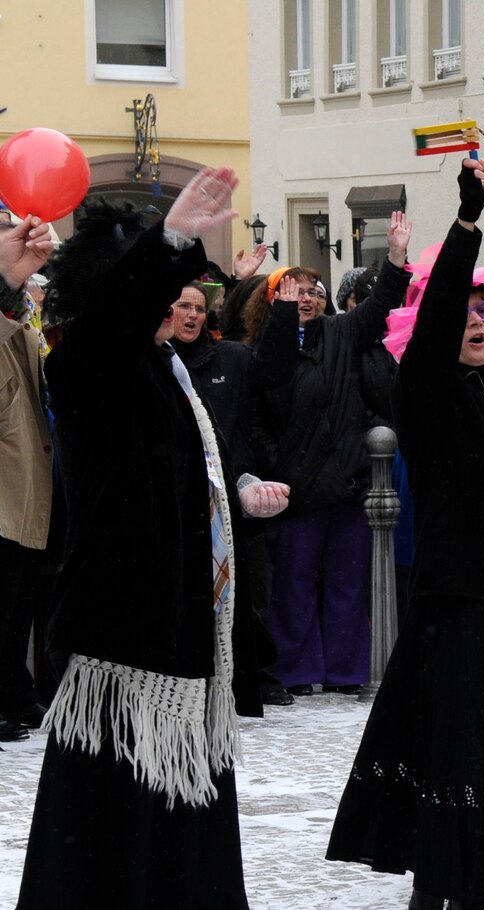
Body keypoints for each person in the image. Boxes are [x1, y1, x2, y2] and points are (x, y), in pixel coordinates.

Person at [21, 169, 292, 909]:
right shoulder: (87, 363)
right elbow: (112, 318)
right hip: (122, 646)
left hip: (180, 637)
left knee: (179, 843)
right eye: (152, 289)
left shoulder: (164, 369)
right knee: (111, 844)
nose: (176, 304)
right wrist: (170, 240)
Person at [326, 159, 484, 909]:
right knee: (457, 770)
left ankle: (473, 891)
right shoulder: (428, 394)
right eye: (464, 314)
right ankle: (443, 895)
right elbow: (439, 321)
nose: (476, 323)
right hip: (461, 612)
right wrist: (467, 223)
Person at [256, 213, 409, 699]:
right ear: (275, 301)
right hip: (296, 485)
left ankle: (346, 671)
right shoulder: (267, 349)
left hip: (346, 480)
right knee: (295, 587)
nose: (308, 297)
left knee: (348, 582)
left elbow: (381, 303)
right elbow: (263, 405)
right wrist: (278, 461)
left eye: (315, 290)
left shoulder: (342, 334)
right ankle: (297, 671)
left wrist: (396, 258)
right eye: (295, 291)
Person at [167, 281, 289, 712]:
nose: (192, 315)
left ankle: (256, 676)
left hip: (231, 497)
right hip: (176, 501)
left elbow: (275, 369)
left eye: (199, 308)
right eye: (183, 305)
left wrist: (285, 312)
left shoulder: (232, 358)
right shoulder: (154, 365)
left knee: (247, 592)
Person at [0, 216, 56, 740]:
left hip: (25, 492)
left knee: (17, 607)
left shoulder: (21, 317)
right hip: (5, 494)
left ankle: (13, 691)